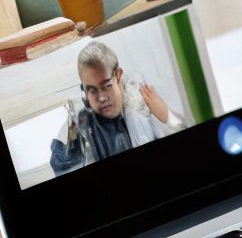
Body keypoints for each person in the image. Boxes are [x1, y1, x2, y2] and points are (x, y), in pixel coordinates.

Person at [49, 41, 183, 175]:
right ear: (83, 89)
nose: (101, 98)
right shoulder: (80, 124)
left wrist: (167, 118)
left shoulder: (142, 106)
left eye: (107, 85)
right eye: (92, 90)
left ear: (118, 75)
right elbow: (61, 167)